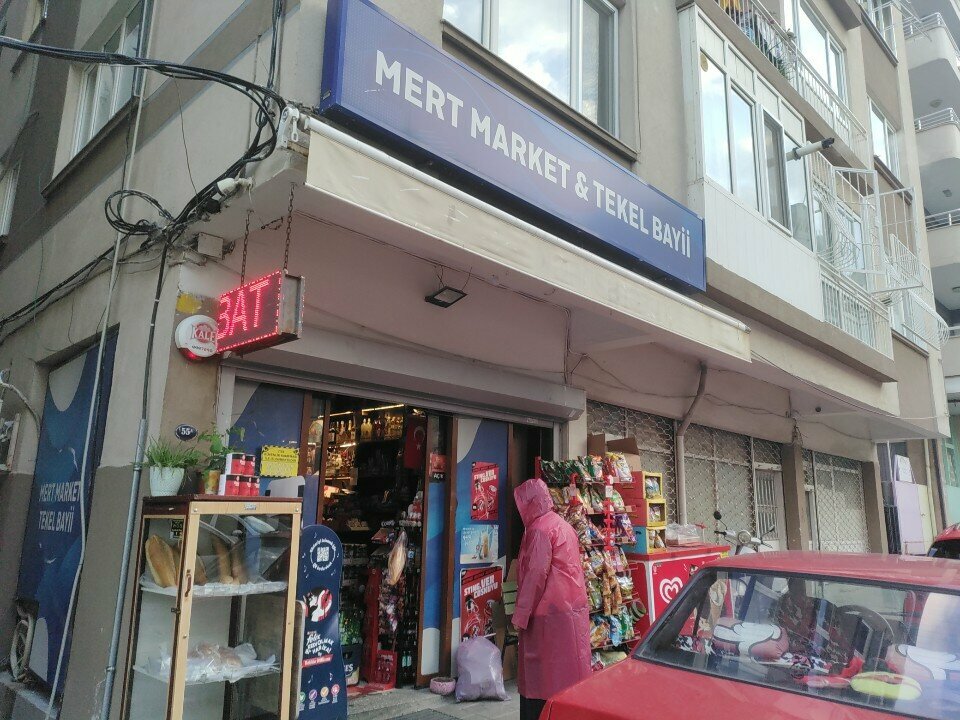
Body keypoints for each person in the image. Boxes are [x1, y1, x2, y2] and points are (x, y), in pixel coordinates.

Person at [513, 478, 591, 720]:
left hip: (548, 617)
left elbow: (535, 576)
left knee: (541, 682)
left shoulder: (538, 530)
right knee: (568, 680)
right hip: (571, 613)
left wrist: (520, 616)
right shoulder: (562, 525)